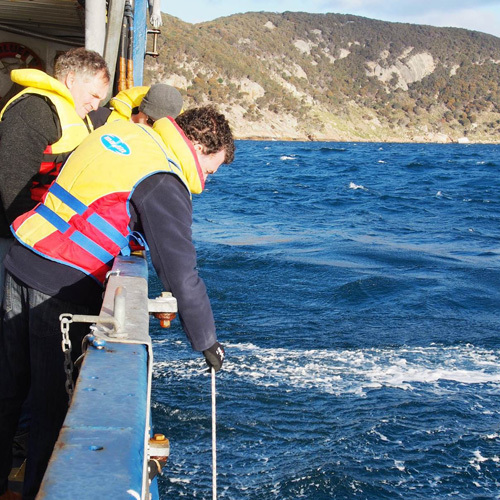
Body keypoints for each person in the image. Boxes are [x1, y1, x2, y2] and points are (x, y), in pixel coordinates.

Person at [0, 105, 234, 500]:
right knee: (50, 411)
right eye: (210, 170)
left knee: (6, 391)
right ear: (198, 146)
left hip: (19, 259)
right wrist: (206, 340)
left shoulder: (126, 135)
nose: (205, 182)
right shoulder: (162, 178)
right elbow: (179, 272)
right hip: (59, 288)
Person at [0, 47, 110, 305]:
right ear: (71, 80)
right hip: (11, 237)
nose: (95, 105)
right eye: (94, 95)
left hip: (35, 235)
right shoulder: (33, 112)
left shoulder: (74, 117)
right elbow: (12, 186)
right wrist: (35, 245)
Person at [87, 82, 183, 128]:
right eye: (152, 122)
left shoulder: (156, 150)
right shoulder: (99, 118)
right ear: (143, 110)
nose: (153, 129)